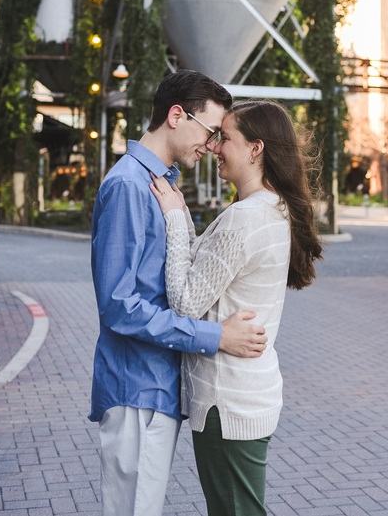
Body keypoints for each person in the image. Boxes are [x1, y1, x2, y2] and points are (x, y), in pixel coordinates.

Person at [89, 70, 268, 516]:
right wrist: (215, 337)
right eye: (209, 132)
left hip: (155, 387)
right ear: (175, 116)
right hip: (136, 389)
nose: (210, 146)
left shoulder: (159, 183)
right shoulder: (131, 186)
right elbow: (119, 305)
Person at [151, 98, 323, 516]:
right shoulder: (268, 209)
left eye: (225, 138)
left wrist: (174, 218)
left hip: (226, 403)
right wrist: (186, 219)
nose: (213, 147)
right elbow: (208, 270)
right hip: (243, 395)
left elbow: (187, 302)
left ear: (255, 148)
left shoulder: (246, 217)